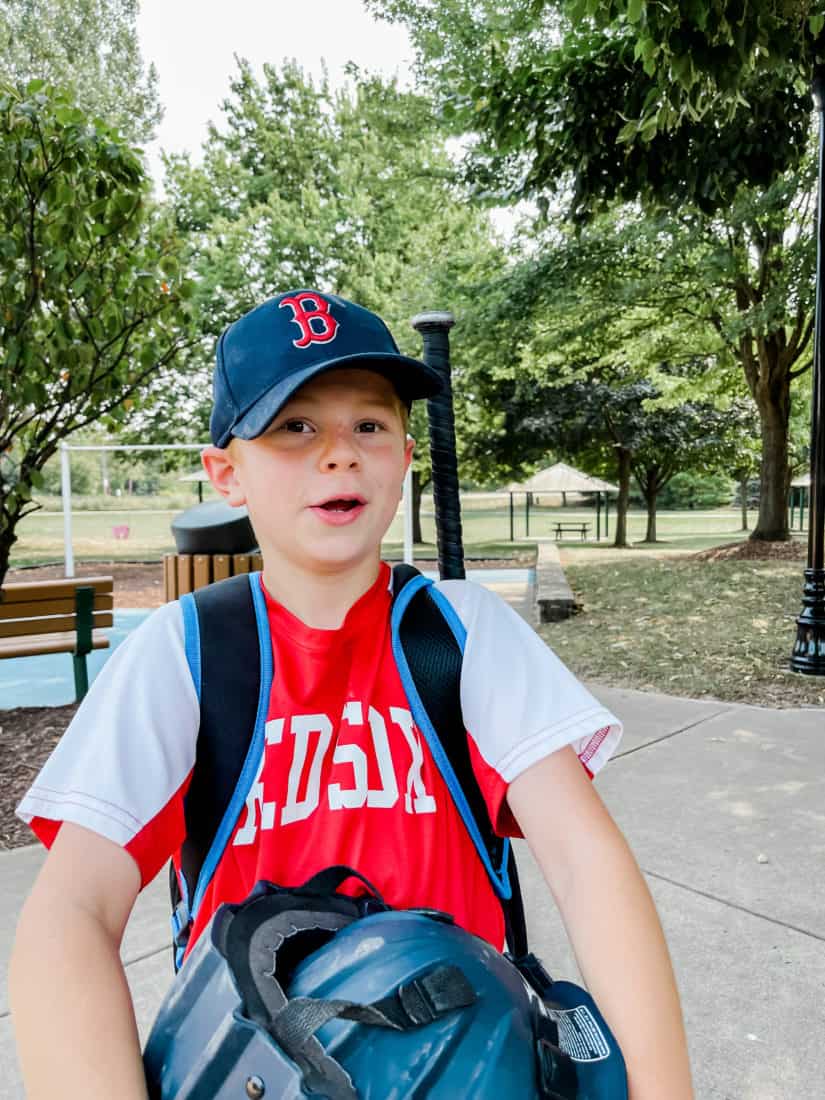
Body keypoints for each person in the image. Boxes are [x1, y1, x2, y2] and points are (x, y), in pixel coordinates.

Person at [10, 289, 693, 1099]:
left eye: (368, 424)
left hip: (464, 1062)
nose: (339, 453)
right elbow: (70, 917)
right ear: (227, 473)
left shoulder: (463, 635)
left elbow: (585, 862)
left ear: (404, 455)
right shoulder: (184, 653)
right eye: (294, 426)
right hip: (266, 1066)